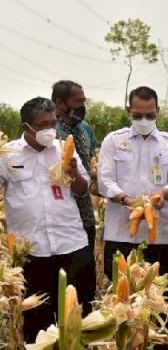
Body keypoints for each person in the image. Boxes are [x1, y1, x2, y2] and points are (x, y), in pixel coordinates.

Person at [0, 97, 93, 342]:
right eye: (42, 125)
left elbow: (83, 190)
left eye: (53, 123)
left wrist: (74, 174)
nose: (49, 130)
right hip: (31, 252)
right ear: (26, 127)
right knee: (38, 327)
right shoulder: (8, 154)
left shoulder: (64, 149)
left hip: (71, 244)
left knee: (79, 320)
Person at [98, 86, 168, 282]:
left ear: (158, 112)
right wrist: (126, 200)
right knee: (120, 300)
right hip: (121, 233)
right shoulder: (113, 141)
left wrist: (163, 195)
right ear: (128, 111)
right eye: (138, 116)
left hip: (160, 235)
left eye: (150, 115)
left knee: (159, 295)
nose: (144, 121)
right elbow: (105, 179)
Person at [51, 80, 97, 314]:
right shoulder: (49, 134)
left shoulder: (86, 129)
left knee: (85, 281)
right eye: (78, 101)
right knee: (61, 285)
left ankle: (84, 328)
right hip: (59, 218)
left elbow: (89, 165)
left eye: (83, 101)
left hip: (85, 214)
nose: (82, 106)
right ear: (59, 103)